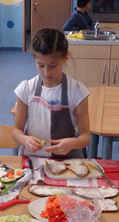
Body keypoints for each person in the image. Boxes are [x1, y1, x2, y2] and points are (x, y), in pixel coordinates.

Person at [12, 28, 90, 158]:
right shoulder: (26, 89)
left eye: (53, 66)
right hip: (34, 159)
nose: (47, 72)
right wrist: (25, 140)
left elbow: (85, 137)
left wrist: (74, 143)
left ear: (65, 58)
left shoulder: (77, 91)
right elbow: (16, 131)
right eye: (41, 65)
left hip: (68, 162)